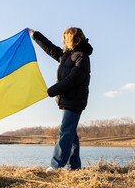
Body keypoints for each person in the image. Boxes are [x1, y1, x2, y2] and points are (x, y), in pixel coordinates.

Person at [28, 27, 93, 172]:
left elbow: (73, 79)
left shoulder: (82, 57)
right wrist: (35, 35)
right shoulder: (66, 56)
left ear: (73, 39)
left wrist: (52, 90)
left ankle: (56, 165)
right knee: (71, 134)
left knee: (65, 132)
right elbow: (50, 49)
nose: (63, 41)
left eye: (65, 38)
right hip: (66, 100)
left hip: (75, 101)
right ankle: (74, 167)